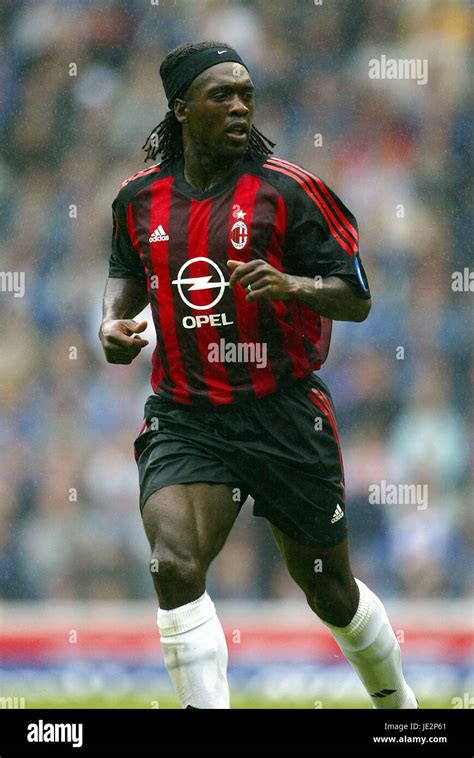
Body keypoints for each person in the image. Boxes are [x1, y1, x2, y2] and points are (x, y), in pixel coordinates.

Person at [99, 41, 418, 710]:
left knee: (330, 590)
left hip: (283, 410)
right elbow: (126, 274)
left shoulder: (290, 190)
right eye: (223, 95)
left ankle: (400, 711)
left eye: (246, 93)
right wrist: (113, 323)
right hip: (188, 414)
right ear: (183, 108)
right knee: (173, 563)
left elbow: (357, 297)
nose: (240, 105)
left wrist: (293, 285)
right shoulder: (137, 199)